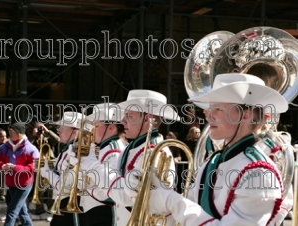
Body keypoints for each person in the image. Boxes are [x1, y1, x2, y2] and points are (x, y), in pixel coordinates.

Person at [126, 73, 293, 225]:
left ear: (245, 115)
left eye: (218, 108)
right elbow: (189, 213)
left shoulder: (260, 174)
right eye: (209, 107)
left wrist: (170, 200)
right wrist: (155, 197)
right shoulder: (213, 161)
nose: (207, 114)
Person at [69, 90, 179, 226]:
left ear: (147, 119)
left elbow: (125, 196)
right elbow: (113, 181)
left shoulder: (156, 152)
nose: (123, 121)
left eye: (129, 116)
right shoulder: (134, 148)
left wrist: (91, 165)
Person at [76, 103, 127, 226]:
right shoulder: (103, 148)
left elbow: (107, 192)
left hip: (104, 212)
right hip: (94, 210)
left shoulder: (113, 150)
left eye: (96, 125)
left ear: (111, 127)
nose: (92, 130)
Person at [40, 111, 92, 226]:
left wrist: (47, 172)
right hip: (63, 202)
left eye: (62, 128)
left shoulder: (77, 151)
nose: (58, 131)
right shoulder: (68, 148)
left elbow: (65, 185)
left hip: (72, 203)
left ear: (74, 132)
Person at [0, 123, 39, 226]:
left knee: (12, 210)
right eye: (9, 131)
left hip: (24, 183)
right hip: (11, 182)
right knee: (22, 211)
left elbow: (32, 167)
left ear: (19, 134)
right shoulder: (4, 147)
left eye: (12, 131)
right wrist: (2, 165)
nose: (10, 133)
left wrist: (14, 167)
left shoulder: (31, 149)